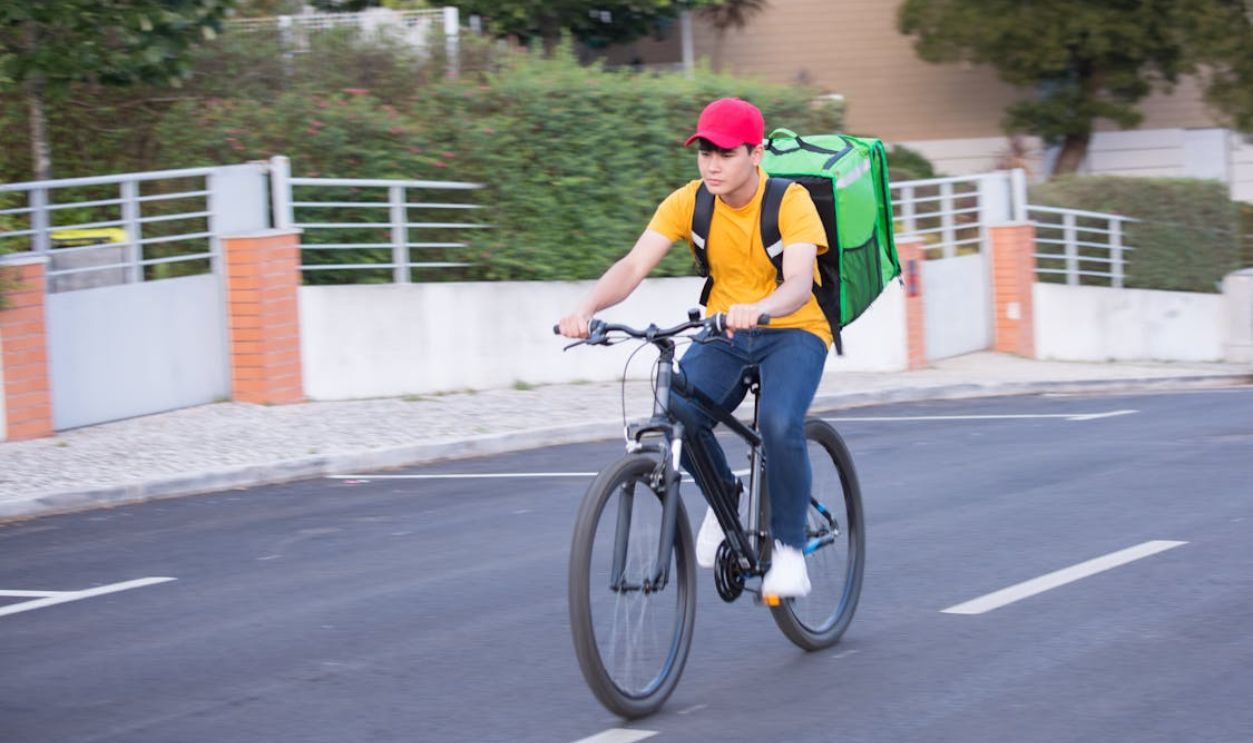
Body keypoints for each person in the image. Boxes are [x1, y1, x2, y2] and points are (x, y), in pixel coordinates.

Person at [556, 98, 830, 597]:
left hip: (794, 329)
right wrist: (587, 308)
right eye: (704, 151)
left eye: (725, 153)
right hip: (726, 332)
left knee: (778, 423)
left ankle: (790, 551)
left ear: (755, 153)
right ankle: (726, 495)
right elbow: (634, 265)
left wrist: (761, 308)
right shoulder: (690, 201)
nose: (712, 164)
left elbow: (798, 283)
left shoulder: (789, 202)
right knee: (678, 406)